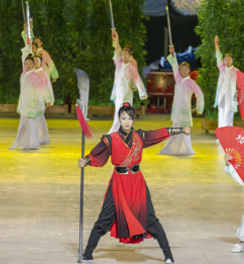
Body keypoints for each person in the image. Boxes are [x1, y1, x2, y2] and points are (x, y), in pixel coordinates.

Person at [78, 103, 190, 263]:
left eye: (129, 118)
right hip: (119, 183)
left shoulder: (140, 136)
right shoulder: (111, 139)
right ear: (119, 119)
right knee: (104, 219)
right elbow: (97, 154)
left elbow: (158, 134)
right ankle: (87, 254)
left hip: (137, 183)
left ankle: (168, 256)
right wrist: (87, 160)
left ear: (133, 119)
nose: (127, 122)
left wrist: (180, 130)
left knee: (150, 219)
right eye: (123, 118)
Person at [158, 45, 204, 156]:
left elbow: (200, 93)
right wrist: (172, 53)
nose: (183, 71)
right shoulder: (178, 79)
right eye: (181, 69)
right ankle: (177, 149)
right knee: (176, 130)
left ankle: (181, 149)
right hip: (177, 109)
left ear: (189, 71)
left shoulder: (191, 83)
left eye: (185, 69)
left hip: (185, 111)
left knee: (183, 130)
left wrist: (199, 107)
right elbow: (174, 65)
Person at [9, 49, 53, 150]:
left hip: (32, 105)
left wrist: (49, 99)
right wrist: (27, 45)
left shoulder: (35, 76)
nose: (28, 65)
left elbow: (44, 87)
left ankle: (28, 143)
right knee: (24, 124)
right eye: (26, 63)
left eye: (30, 63)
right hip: (25, 104)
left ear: (33, 65)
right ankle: (20, 142)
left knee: (30, 125)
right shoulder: (24, 75)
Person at [108, 29, 147, 133]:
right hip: (119, 93)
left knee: (124, 114)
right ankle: (117, 133)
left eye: (126, 54)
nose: (123, 56)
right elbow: (117, 49)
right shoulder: (119, 64)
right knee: (118, 113)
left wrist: (141, 92)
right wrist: (116, 37)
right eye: (123, 54)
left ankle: (117, 133)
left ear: (130, 55)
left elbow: (137, 79)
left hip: (126, 93)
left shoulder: (131, 66)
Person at [20, 19, 59, 83]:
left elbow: (50, 63)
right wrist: (28, 30)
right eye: (35, 42)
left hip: (43, 74)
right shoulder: (31, 51)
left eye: (38, 42)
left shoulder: (44, 53)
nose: (37, 43)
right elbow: (29, 41)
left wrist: (54, 76)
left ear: (41, 43)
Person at [214, 35, 238, 132]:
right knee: (221, 113)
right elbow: (218, 54)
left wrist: (238, 93)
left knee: (229, 114)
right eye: (225, 59)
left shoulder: (236, 71)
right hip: (222, 95)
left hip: (231, 95)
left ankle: (228, 134)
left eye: (229, 59)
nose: (227, 61)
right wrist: (216, 43)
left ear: (232, 60)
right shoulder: (222, 68)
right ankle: (221, 134)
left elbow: (241, 84)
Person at [34, 53, 52, 145]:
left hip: (40, 99)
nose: (35, 63)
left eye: (37, 61)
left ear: (41, 63)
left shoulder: (42, 73)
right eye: (34, 61)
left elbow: (47, 86)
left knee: (39, 118)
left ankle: (42, 138)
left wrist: (48, 100)